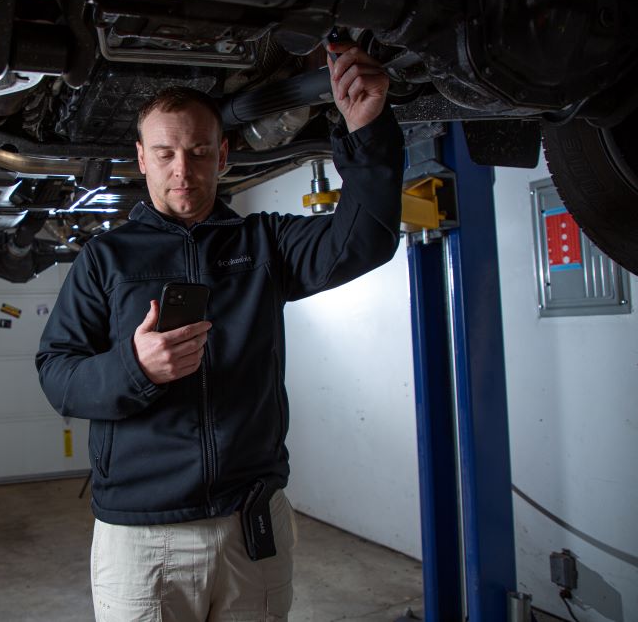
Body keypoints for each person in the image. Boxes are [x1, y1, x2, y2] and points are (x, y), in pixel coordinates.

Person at [36, 45, 404, 621]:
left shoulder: (263, 244)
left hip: (251, 524)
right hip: (143, 536)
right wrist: (135, 369)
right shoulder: (105, 259)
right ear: (142, 159)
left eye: (199, 152)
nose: (182, 170)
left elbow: (366, 240)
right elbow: (58, 374)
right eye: (165, 154)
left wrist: (367, 131)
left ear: (223, 155)